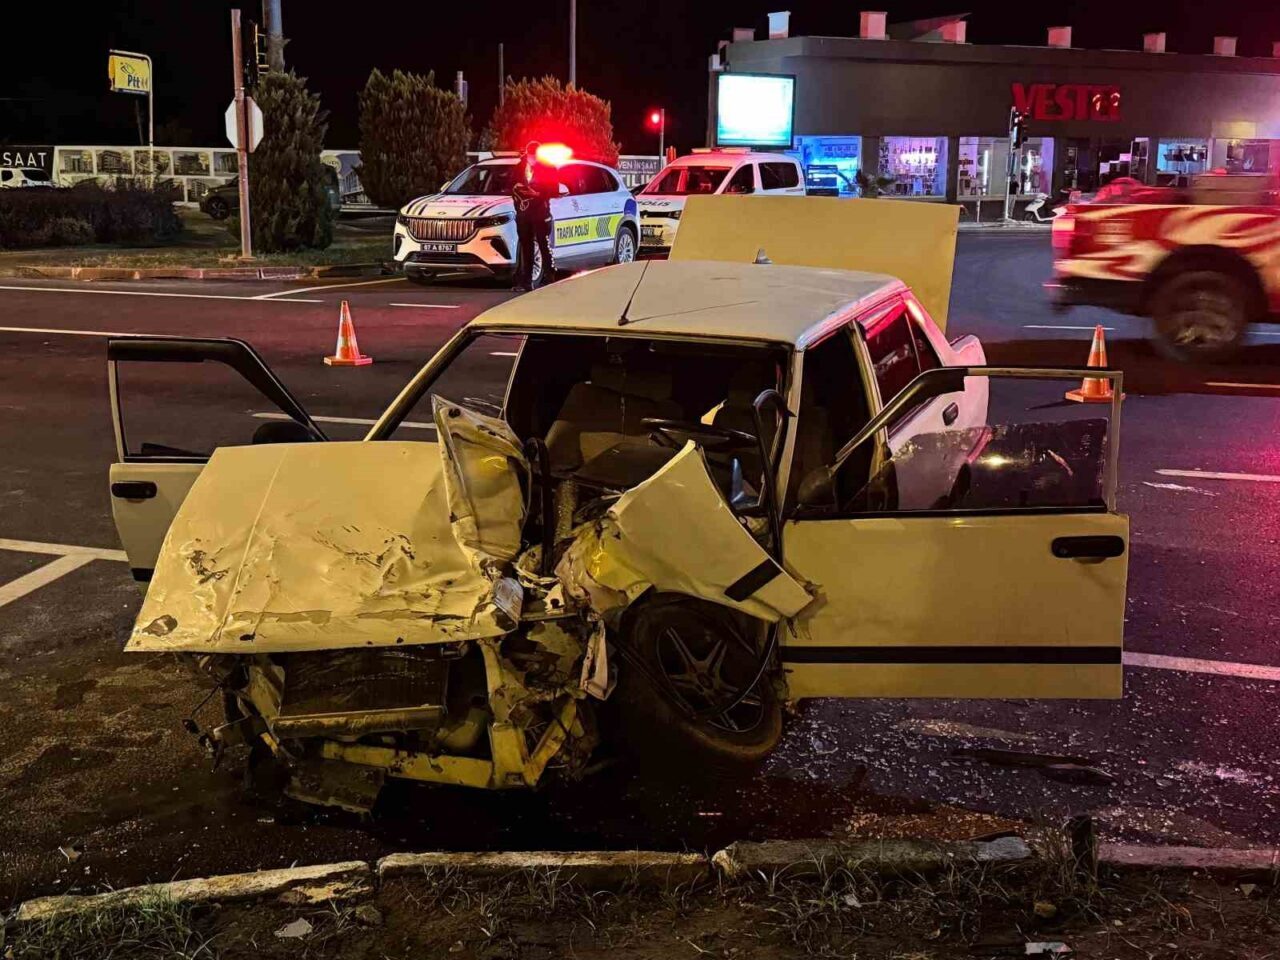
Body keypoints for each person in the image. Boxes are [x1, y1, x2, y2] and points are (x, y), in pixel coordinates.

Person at [512, 141, 557, 291]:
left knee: (543, 243)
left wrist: (537, 194)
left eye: (534, 155)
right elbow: (512, 184)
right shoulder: (520, 166)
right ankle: (526, 281)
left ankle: (550, 276)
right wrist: (518, 192)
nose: (532, 158)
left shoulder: (548, 167)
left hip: (540, 212)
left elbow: (554, 190)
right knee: (526, 246)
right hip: (524, 212)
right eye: (529, 155)